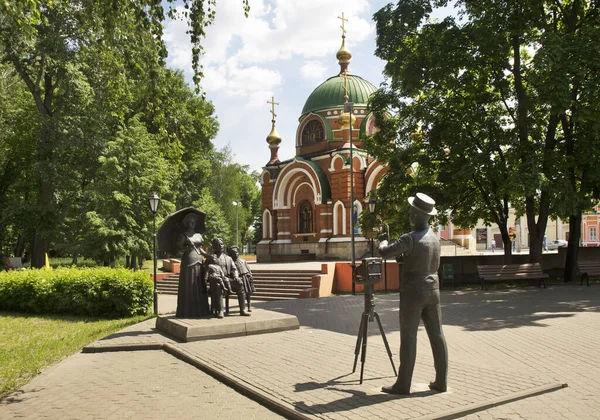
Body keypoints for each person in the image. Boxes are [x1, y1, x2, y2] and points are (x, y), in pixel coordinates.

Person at [378, 193, 448, 395]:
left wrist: (383, 241)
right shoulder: (435, 239)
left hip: (413, 292)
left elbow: (385, 253)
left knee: (409, 337)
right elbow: (421, 259)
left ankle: (403, 384)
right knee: (437, 335)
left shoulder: (409, 238)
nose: (409, 214)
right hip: (433, 290)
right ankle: (441, 381)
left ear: (418, 214)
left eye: (411, 211)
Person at [175, 213, 210, 318]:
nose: (192, 224)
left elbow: (200, 249)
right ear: (187, 223)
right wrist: (187, 247)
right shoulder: (183, 235)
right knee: (189, 285)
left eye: (194, 222)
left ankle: (201, 310)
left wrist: (207, 255)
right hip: (188, 262)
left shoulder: (199, 235)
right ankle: (188, 311)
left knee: (199, 284)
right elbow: (179, 250)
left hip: (199, 261)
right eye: (190, 222)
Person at [204, 237, 250, 317]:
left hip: (228, 279)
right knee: (218, 286)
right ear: (214, 246)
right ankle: (220, 310)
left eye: (221, 244)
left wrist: (236, 276)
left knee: (240, 283)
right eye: (218, 244)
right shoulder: (210, 259)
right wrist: (212, 277)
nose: (221, 246)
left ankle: (242, 309)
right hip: (215, 282)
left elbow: (234, 269)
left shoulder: (228, 258)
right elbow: (206, 272)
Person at [228, 246, 256, 312]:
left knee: (248, 292)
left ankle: (249, 305)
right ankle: (242, 306)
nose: (235, 254)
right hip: (239, 279)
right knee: (242, 293)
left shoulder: (243, 261)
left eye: (236, 252)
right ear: (231, 254)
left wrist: (250, 274)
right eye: (233, 253)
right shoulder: (231, 263)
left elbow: (248, 268)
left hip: (246, 277)